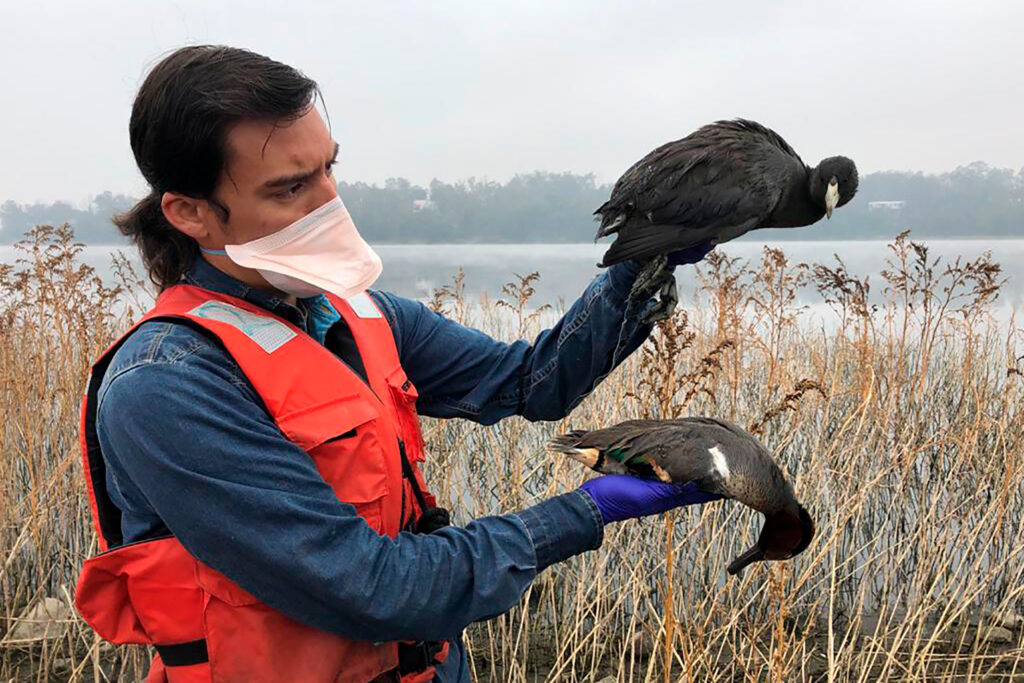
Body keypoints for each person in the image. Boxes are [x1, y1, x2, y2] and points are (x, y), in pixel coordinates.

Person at [73, 45, 719, 683]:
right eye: (291, 187)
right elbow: (372, 587)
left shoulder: (362, 314)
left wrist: (642, 263)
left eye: (329, 168)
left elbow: (532, 382)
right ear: (192, 213)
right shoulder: (167, 383)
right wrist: (586, 511)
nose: (329, 203)